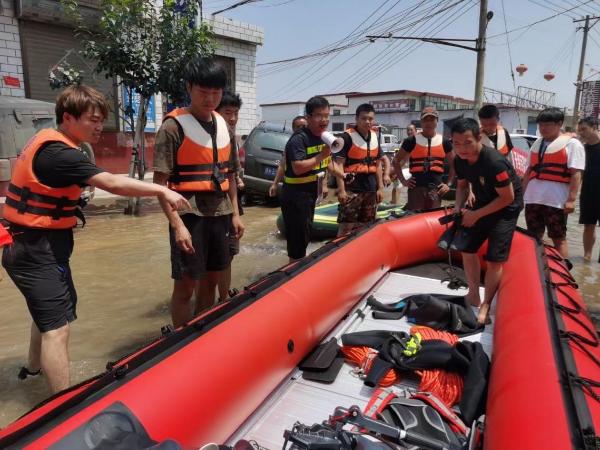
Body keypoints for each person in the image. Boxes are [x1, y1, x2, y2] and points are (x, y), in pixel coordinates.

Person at [1, 85, 190, 393]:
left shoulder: (55, 143)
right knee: (57, 329)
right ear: (68, 117)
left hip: (35, 246)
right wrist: (161, 189)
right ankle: (63, 406)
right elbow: (113, 183)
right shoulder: (59, 153)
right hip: (34, 250)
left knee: (49, 316)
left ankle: (32, 373)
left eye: (102, 119)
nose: (100, 126)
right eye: (92, 119)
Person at [153, 57, 244, 328]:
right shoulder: (172, 128)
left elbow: (230, 175)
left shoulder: (225, 126)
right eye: (204, 92)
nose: (210, 99)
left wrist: (236, 215)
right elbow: (160, 185)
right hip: (189, 214)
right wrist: (178, 226)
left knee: (214, 279)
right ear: (189, 88)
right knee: (186, 285)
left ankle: (202, 330)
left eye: (216, 92)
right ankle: (181, 338)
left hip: (221, 212)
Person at [451, 118, 523, 325]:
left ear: (478, 138)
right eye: (456, 143)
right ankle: (473, 294)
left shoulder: (494, 162)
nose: (462, 149)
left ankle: (486, 305)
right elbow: (463, 186)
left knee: (494, 260)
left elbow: (507, 198)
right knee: (467, 248)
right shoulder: (459, 160)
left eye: (467, 143)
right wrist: (458, 206)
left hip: (506, 208)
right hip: (483, 201)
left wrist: (476, 214)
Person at [196, 90, 244, 302]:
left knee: (228, 256)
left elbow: (232, 176)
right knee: (203, 262)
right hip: (203, 208)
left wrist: (235, 213)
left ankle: (223, 299)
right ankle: (204, 304)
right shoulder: (201, 137)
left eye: (235, 113)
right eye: (228, 112)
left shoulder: (230, 138)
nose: (232, 118)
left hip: (229, 205)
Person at [522, 108, 585, 258]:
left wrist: (571, 200)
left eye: (548, 124)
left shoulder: (573, 145)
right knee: (534, 236)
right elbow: (528, 171)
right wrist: (521, 196)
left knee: (558, 238)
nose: (543, 128)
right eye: (540, 125)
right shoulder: (537, 143)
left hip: (556, 201)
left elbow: (576, 173)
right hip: (533, 198)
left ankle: (564, 275)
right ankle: (539, 271)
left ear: (560, 124)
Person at [280, 96, 332, 261]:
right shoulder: (299, 139)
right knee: (297, 242)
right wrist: (321, 155)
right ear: (308, 117)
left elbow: (327, 163)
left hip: (309, 195)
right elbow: (298, 167)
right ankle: (292, 274)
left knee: (304, 237)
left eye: (326, 115)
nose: (324, 120)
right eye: (318, 115)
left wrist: (342, 176)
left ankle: (297, 268)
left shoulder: (322, 137)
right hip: (296, 196)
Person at [333, 103, 384, 236]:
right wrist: (342, 191)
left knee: (367, 226)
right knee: (346, 227)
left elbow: (377, 164)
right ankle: (341, 254)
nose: (367, 122)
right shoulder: (346, 138)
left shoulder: (375, 137)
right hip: (351, 189)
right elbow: (338, 165)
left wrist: (380, 188)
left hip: (370, 189)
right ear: (356, 119)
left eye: (370, 119)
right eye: (364, 118)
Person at [394, 106, 455, 210]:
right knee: (414, 219)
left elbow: (455, 163)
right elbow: (396, 161)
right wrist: (404, 181)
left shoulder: (445, 142)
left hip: (436, 189)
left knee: (432, 218)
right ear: (421, 122)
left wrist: (448, 183)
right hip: (416, 188)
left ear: (437, 121)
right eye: (425, 120)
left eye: (432, 119)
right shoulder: (411, 141)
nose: (429, 122)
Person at [577, 116, 600, 261]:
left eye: (584, 129)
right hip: (588, 192)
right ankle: (587, 257)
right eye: (579, 130)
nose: (581, 133)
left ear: (595, 127)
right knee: (588, 225)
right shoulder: (582, 148)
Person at [269, 115, 307, 197]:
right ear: (293, 129)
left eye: (304, 126)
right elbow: (282, 165)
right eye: (298, 127)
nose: (301, 129)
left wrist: (324, 185)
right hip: (291, 189)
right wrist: (275, 184)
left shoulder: (311, 143)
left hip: (308, 190)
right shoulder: (291, 144)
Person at [391, 124, 416, 204]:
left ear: (415, 131)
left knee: (397, 183)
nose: (409, 132)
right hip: (403, 167)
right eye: (408, 130)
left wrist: (396, 172)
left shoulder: (414, 142)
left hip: (410, 168)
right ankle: (394, 203)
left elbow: (404, 160)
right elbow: (399, 158)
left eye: (411, 130)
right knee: (395, 185)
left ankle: (395, 204)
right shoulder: (406, 141)